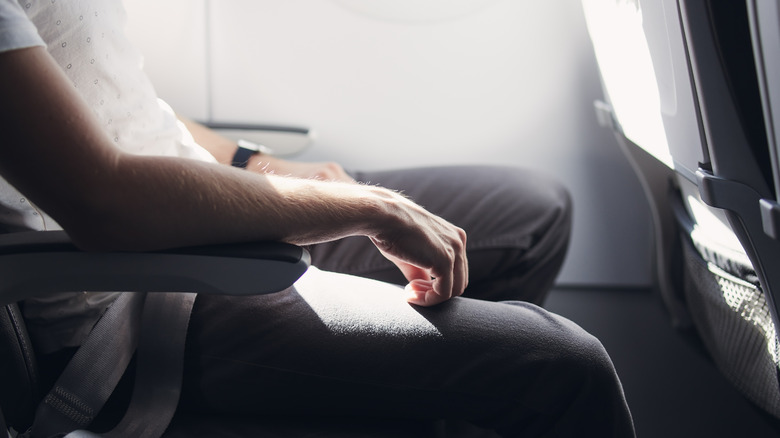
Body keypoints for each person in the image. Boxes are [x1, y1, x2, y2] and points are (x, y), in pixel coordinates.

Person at [0, 1, 635, 436]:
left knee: (534, 213)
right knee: (564, 369)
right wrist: (366, 208)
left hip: (199, 218)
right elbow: (102, 200)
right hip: (134, 299)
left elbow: (110, 95)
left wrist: (257, 163)